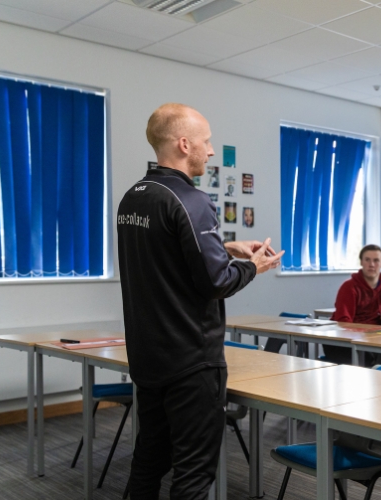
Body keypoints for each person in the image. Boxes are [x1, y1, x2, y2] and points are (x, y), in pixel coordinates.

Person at [118, 103, 283, 499]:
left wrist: (225, 247)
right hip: (191, 361)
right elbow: (214, 282)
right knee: (194, 472)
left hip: (149, 356)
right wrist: (253, 267)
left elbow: (167, 257)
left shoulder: (134, 198)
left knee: (149, 460)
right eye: (206, 142)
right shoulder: (190, 200)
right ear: (184, 143)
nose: (210, 151)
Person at [328, 245, 381, 364]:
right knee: (374, 360)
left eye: (376, 260)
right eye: (367, 260)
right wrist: (364, 336)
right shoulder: (349, 287)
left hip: (373, 339)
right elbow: (343, 322)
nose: (371, 264)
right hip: (346, 341)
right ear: (361, 262)